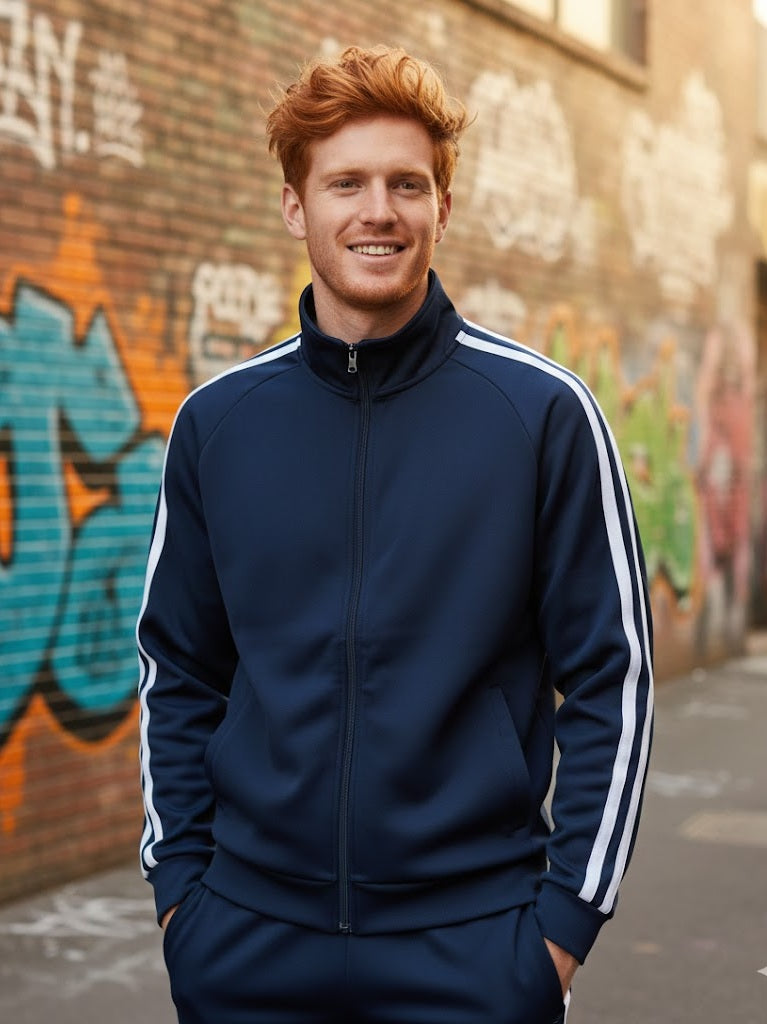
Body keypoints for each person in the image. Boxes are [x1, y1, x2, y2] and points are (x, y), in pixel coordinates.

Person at [137, 45, 654, 1024]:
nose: (377, 210)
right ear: (296, 207)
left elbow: (610, 679)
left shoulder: (540, 415)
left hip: (473, 947)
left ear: (441, 209)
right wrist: (183, 908)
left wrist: (555, 937)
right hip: (244, 944)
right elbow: (179, 672)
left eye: (405, 184)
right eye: (345, 183)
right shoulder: (218, 425)